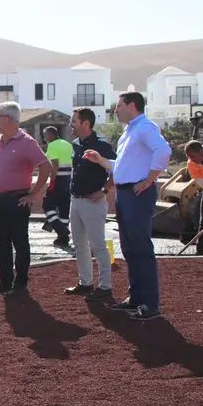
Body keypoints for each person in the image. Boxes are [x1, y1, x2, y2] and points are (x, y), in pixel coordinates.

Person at [83, 92, 171, 321]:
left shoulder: (144, 127)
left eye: (118, 105)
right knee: (130, 247)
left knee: (140, 247)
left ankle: (150, 304)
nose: (115, 110)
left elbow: (163, 151)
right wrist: (101, 161)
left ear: (131, 105)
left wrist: (149, 179)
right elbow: (122, 167)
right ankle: (136, 297)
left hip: (137, 194)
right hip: (126, 193)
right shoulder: (130, 131)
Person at [0, 101, 52, 295]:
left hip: (18, 199)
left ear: (9, 119)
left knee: (20, 241)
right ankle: (4, 282)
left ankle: (20, 283)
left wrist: (34, 194)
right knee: (2, 242)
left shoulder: (27, 142)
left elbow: (45, 166)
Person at [64, 108, 117, 298]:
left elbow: (117, 170)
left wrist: (104, 190)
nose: (71, 125)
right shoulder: (76, 144)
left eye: (74, 121)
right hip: (76, 201)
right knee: (79, 244)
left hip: (93, 202)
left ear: (86, 123)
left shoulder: (102, 146)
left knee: (97, 245)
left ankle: (105, 286)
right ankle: (85, 282)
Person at [41, 126, 73, 247]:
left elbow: (55, 165)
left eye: (45, 135)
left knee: (47, 205)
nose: (44, 138)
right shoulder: (67, 144)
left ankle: (62, 231)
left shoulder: (52, 146)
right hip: (68, 181)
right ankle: (62, 238)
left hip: (59, 180)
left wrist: (52, 182)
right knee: (64, 208)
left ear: (50, 135)